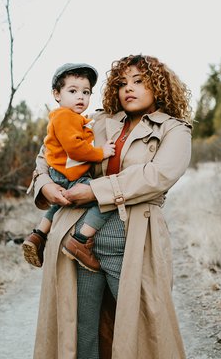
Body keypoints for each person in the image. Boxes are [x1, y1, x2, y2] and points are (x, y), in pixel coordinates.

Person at [29, 54, 192, 359]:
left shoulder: (174, 130)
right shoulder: (101, 121)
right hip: (78, 242)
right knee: (83, 328)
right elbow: (50, 150)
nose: (128, 88)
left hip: (132, 239)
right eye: (122, 83)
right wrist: (44, 184)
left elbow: (156, 176)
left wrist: (94, 190)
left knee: (142, 324)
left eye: (139, 81)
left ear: (158, 86)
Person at [22, 63, 115, 272]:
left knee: (58, 204)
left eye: (86, 92)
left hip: (60, 172)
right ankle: (81, 240)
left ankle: (38, 234)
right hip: (67, 173)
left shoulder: (72, 117)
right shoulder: (65, 116)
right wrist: (102, 152)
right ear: (57, 94)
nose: (80, 97)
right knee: (104, 197)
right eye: (72, 91)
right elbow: (75, 149)